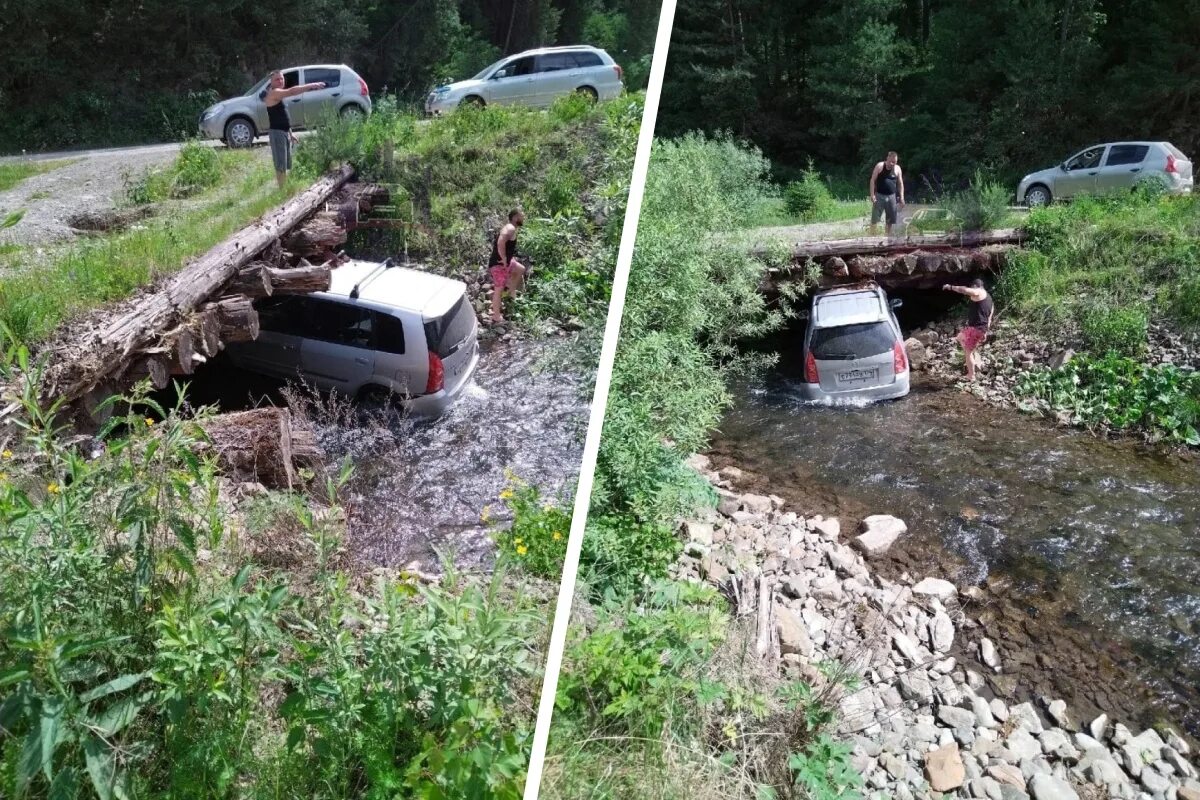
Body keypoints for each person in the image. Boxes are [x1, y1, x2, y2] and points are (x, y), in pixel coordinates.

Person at [259, 70, 326, 189]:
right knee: (281, 166)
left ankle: (284, 189)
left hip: (284, 132)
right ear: (271, 82)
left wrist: (291, 133)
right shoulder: (275, 93)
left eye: (282, 78)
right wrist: (311, 85)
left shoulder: (279, 94)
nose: (280, 81)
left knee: (286, 165)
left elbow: (281, 115)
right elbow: (292, 91)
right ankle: (282, 191)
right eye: (277, 79)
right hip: (277, 133)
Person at [943, 278, 994, 381]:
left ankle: (971, 375)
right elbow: (990, 313)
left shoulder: (978, 291)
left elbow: (966, 290)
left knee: (968, 351)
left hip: (976, 328)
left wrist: (950, 287)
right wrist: (986, 329)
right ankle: (972, 353)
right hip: (978, 328)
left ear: (975, 286)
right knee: (960, 337)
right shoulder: (989, 298)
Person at [488, 209, 527, 323]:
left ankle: (511, 291)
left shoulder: (511, 228)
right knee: (498, 290)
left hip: (507, 263)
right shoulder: (510, 228)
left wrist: (508, 259)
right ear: (515, 217)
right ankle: (496, 316)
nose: (523, 218)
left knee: (521, 269)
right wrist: (504, 258)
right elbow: (500, 242)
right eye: (521, 216)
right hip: (498, 264)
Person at [869, 151, 906, 236]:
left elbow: (900, 184)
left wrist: (902, 198)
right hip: (879, 196)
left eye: (895, 162)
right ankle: (871, 237)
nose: (893, 164)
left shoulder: (897, 169)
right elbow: (872, 180)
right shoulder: (880, 166)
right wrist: (872, 194)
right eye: (892, 162)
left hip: (892, 197)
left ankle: (887, 237)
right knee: (875, 219)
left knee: (890, 220)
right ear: (887, 158)